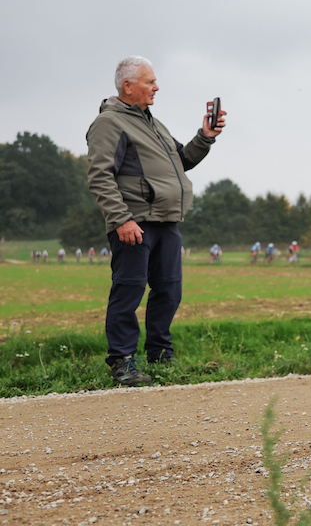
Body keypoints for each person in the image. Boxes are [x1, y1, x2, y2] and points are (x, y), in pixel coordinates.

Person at [86, 55, 224, 386]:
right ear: (128, 85)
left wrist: (205, 136)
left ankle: (160, 354)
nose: (156, 87)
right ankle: (122, 361)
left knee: (169, 291)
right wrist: (121, 219)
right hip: (134, 223)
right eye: (150, 82)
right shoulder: (109, 123)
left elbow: (183, 160)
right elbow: (99, 176)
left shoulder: (153, 123)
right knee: (129, 291)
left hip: (166, 221)